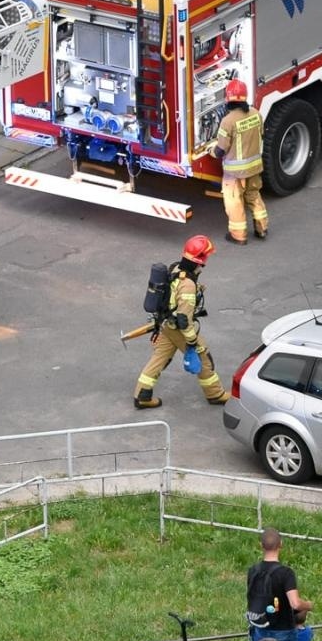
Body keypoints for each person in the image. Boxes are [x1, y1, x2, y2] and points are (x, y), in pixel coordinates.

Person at [133, 234, 223, 408]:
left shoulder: (175, 268)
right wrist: (192, 341)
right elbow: (183, 318)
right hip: (178, 330)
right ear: (201, 259)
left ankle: (142, 395)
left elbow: (173, 294)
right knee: (204, 360)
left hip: (166, 325)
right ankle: (215, 394)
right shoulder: (187, 283)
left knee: (159, 359)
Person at [211, 79, 268, 244]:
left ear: (228, 98)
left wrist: (211, 151)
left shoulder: (227, 122)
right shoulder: (256, 114)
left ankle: (239, 236)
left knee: (234, 202)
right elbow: (261, 135)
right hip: (255, 167)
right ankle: (262, 229)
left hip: (235, 173)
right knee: (254, 196)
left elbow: (221, 149)